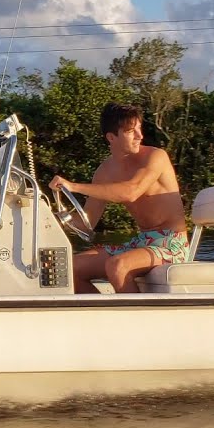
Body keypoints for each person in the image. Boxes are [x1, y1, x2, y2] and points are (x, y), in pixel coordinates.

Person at [49, 103, 189, 293]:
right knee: (67, 269)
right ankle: (102, 317)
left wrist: (74, 186)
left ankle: (135, 321)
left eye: (139, 128)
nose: (140, 135)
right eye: (131, 131)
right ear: (111, 137)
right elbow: (86, 222)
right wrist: (48, 215)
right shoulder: (104, 172)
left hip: (173, 243)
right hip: (140, 242)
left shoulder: (156, 156)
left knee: (118, 265)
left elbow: (132, 191)